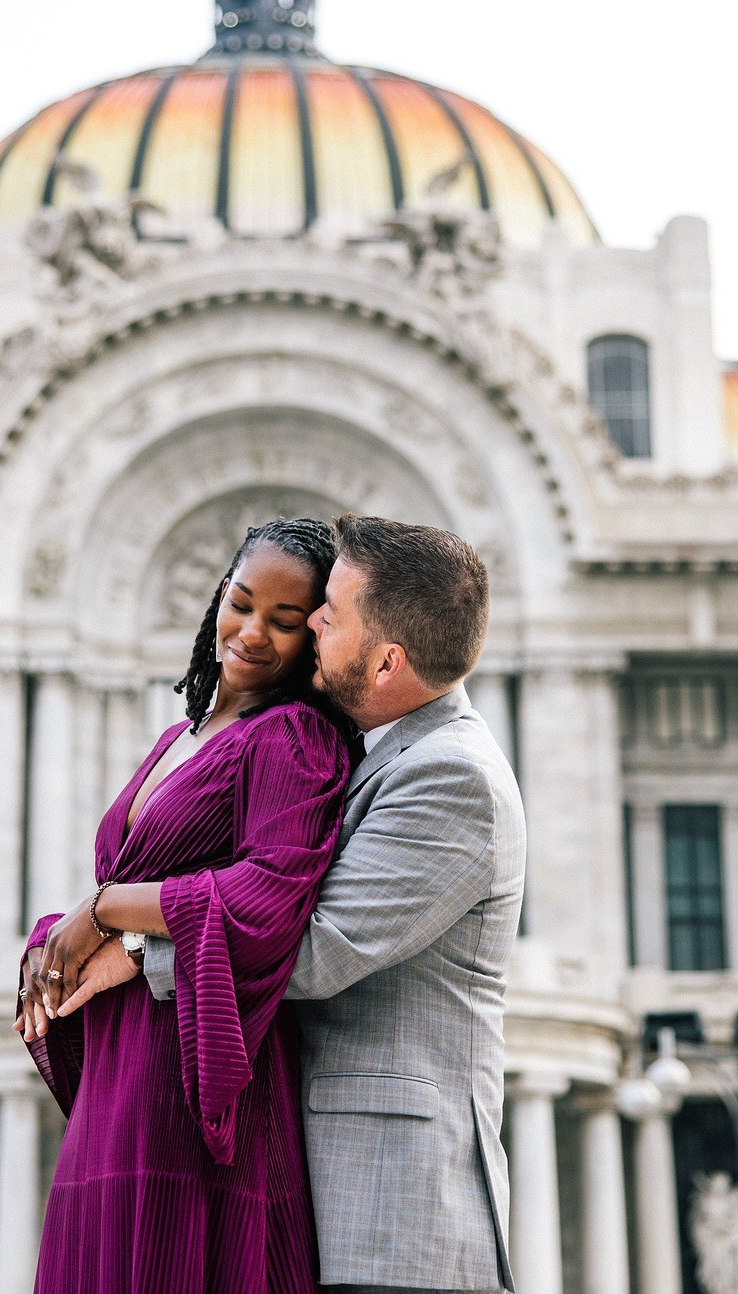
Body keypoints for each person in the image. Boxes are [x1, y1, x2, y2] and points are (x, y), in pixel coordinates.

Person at [45, 514, 527, 1294]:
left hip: (390, 1212)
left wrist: (126, 943)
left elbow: (314, 948)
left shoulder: (451, 775)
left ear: (386, 660)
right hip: (324, 1189)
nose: (308, 633)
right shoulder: (373, 751)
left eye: (324, 619)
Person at [16, 517, 351, 1293]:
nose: (252, 632)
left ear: (316, 639)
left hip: (191, 1065)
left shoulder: (294, 736)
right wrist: (54, 947)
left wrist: (105, 910)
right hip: (119, 1071)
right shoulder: (180, 735)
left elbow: (269, 895)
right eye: (241, 602)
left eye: (286, 621)